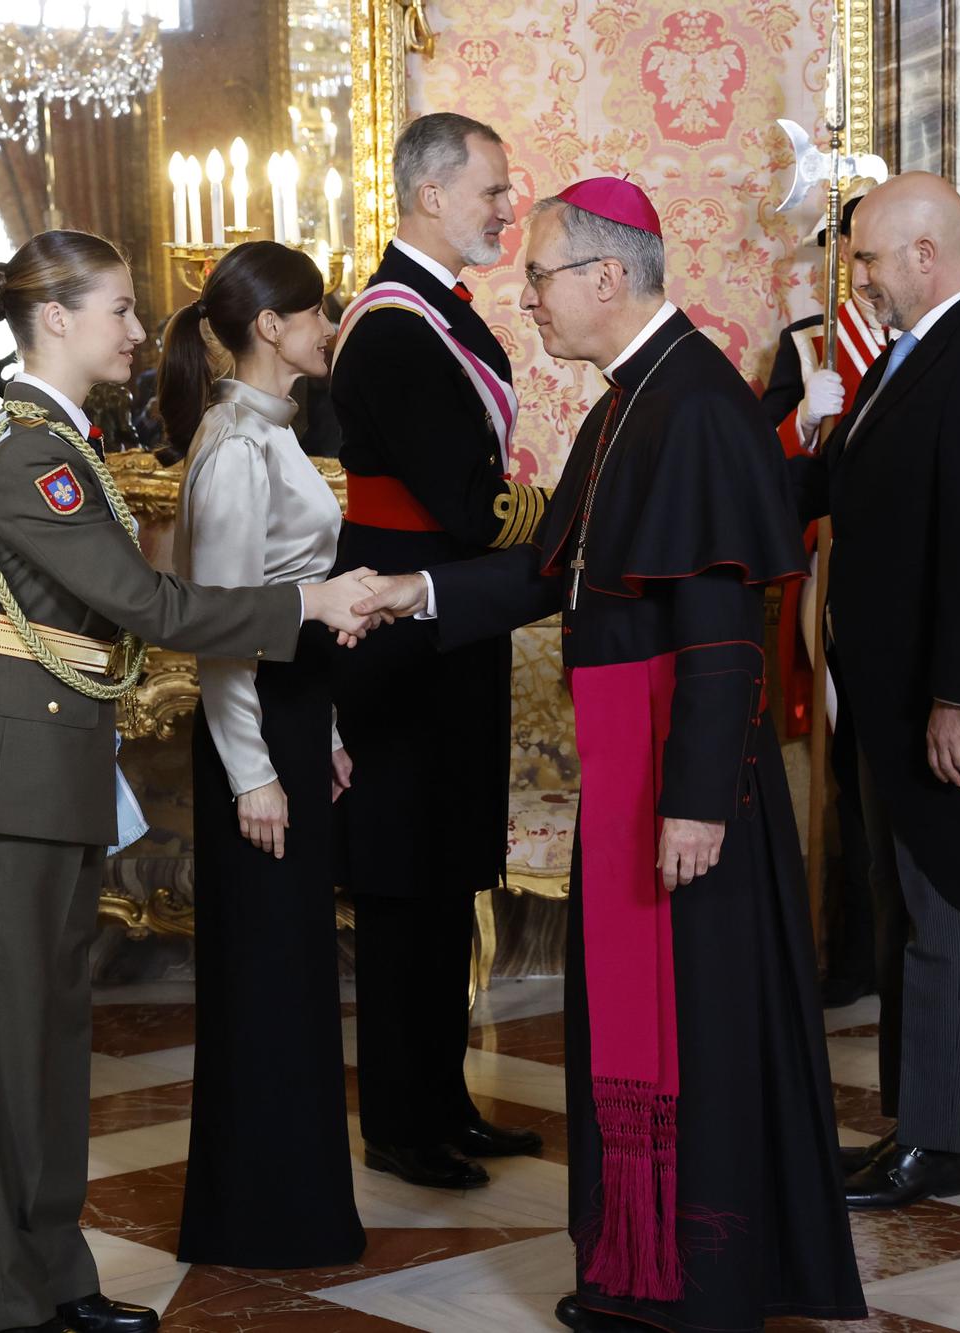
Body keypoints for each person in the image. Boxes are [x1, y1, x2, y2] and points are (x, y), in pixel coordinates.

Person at [355, 176, 865, 1333]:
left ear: (602, 277)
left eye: (536, 277)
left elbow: (722, 627)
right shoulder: (631, 398)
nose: (524, 299)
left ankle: (694, 1282)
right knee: (648, 1032)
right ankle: (643, 1271)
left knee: (698, 1037)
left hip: (683, 789)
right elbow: (548, 574)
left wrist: (694, 804)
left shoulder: (690, 406)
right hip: (636, 768)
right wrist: (410, 589)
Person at [0, 230, 380, 1333]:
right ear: (57, 319)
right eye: (118, 310)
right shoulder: (31, 454)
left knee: (48, 1037)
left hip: (48, 762)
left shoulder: (57, 443)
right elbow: (152, 609)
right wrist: (302, 605)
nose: (136, 330)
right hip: (5, 774)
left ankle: (56, 1284)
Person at [788, 173, 960, 1210]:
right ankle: (916, 1125)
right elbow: (842, 488)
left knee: (943, 918)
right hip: (890, 693)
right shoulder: (909, 358)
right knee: (903, 912)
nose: (856, 277)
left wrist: (957, 699)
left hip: (940, 706)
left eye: (865, 258)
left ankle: (941, 1145)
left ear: (923, 258)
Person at [326, 112, 551, 1190]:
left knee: (449, 870)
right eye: (492, 190)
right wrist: (569, 517)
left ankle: (446, 1101)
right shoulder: (390, 327)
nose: (507, 208)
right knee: (404, 888)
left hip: (448, 626)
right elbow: (472, 505)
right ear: (428, 194)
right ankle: (401, 1123)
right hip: (399, 635)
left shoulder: (434, 318)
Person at [160, 242, 366, 1270]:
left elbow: (289, 615)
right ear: (270, 327)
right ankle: (258, 1220)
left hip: (288, 716)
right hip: (254, 731)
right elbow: (222, 628)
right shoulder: (235, 446)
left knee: (290, 974)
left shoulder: (267, 432)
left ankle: (289, 1208)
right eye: (318, 311)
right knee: (268, 974)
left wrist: (317, 732)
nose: (331, 324)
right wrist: (253, 769)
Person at [760, 191, 883, 1008]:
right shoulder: (807, 346)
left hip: (910, 580)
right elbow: (762, 477)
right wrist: (806, 417)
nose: (870, 273)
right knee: (841, 772)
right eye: (859, 255)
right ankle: (849, 949)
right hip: (829, 586)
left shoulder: (931, 342)